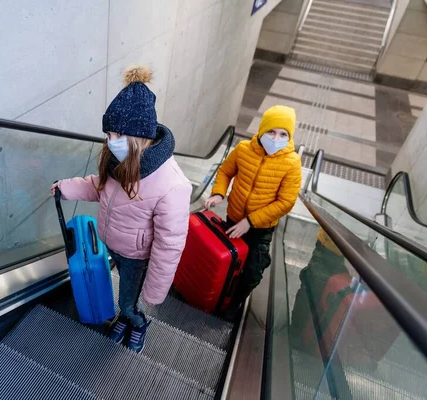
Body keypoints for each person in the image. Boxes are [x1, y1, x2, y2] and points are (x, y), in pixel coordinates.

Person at [51, 65, 191, 353]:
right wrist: (67, 188)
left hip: (137, 257)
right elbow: (99, 186)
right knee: (126, 294)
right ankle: (128, 315)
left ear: (140, 137)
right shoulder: (120, 159)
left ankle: (136, 322)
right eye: (108, 133)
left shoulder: (172, 185)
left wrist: (155, 290)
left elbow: (170, 244)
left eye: (117, 135)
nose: (109, 141)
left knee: (130, 299)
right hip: (113, 244)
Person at [205, 105, 302, 320]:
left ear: (290, 136)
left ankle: (236, 303)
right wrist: (219, 193)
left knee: (252, 272)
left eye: (283, 134)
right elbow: (225, 171)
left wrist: (250, 222)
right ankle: (218, 294)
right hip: (233, 219)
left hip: (261, 229)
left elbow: (286, 202)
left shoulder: (292, 163)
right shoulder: (243, 149)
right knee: (229, 261)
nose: (276, 138)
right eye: (271, 131)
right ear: (262, 130)